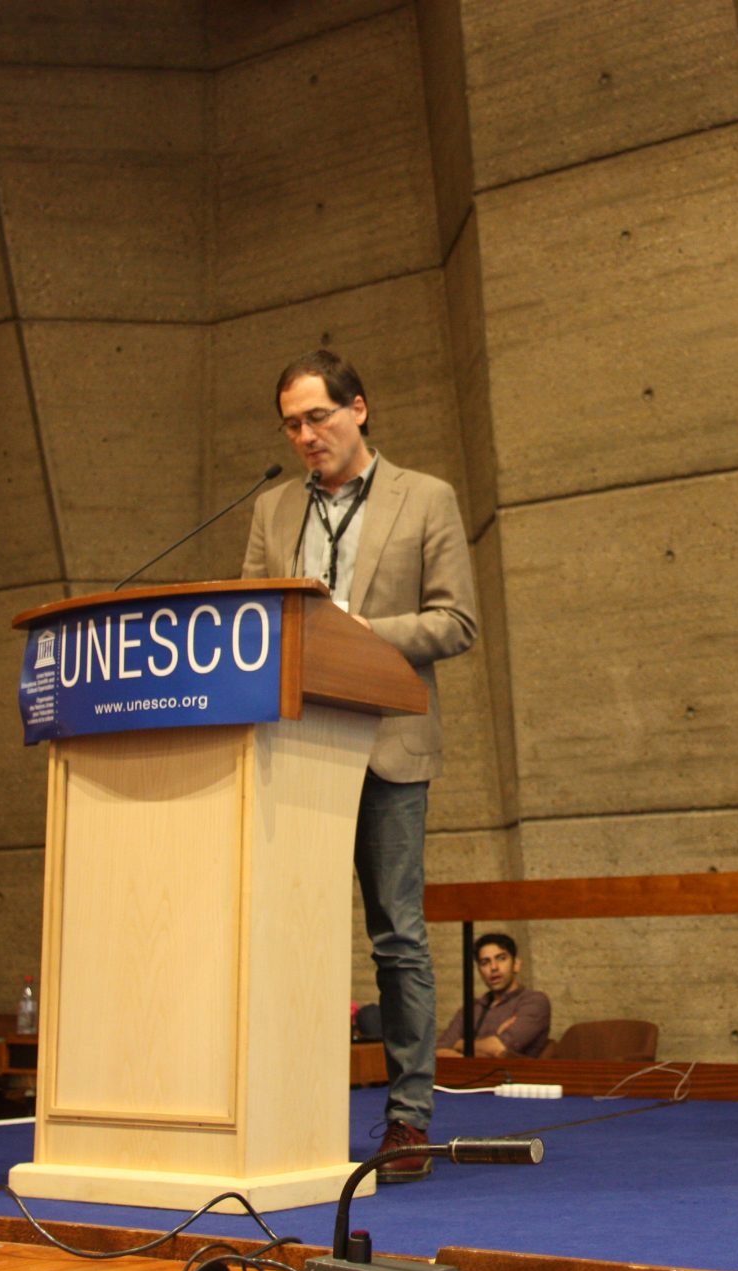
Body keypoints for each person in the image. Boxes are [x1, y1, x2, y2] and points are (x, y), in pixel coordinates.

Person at [242, 349, 478, 1183]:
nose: (306, 436)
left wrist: (361, 634)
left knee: (396, 936)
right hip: (293, 742)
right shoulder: (272, 508)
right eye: (292, 425)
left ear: (359, 409)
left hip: (387, 744)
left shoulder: (427, 497)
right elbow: (251, 620)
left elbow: (456, 622)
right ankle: (281, 1109)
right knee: (281, 933)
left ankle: (408, 1118)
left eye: (318, 417)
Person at [438, 932, 552, 1060]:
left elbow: (499, 1049)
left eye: (501, 958)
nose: (493, 967)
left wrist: (459, 1044)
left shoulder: (534, 1001)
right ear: (479, 970)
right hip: (465, 1073)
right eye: (485, 962)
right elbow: (439, 1052)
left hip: (513, 1073)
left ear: (516, 964)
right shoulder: (472, 1008)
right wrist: (486, 1048)